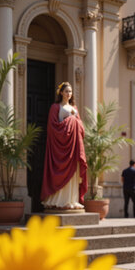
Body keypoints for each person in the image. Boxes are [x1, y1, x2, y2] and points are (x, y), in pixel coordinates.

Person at [41, 82, 87, 210]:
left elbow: (81, 127)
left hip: (73, 147)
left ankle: (71, 200)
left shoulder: (75, 108)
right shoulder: (55, 107)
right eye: (66, 91)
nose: (69, 94)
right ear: (61, 93)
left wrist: (75, 121)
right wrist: (71, 121)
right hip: (60, 146)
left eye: (70, 91)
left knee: (73, 174)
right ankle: (58, 200)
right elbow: (52, 127)